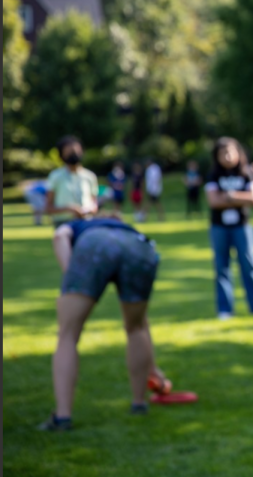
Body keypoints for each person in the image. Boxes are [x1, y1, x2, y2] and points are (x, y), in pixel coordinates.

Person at [38, 215, 168, 431]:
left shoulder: (74, 225)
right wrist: (153, 368)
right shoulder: (123, 226)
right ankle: (139, 403)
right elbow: (142, 325)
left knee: (68, 334)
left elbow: (60, 236)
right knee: (136, 326)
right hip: (140, 246)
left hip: (94, 246)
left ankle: (62, 417)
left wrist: (74, 278)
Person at [205, 137, 253, 321]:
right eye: (223, 153)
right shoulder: (213, 175)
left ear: (239, 153)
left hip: (242, 226)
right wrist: (239, 197)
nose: (228, 156)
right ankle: (225, 310)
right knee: (222, 267)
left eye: (231, 151)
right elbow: (213, 201)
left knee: (250, 264)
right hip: (219, 227)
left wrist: (229, 196)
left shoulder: (246, 173)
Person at [45, 136, 99, 228]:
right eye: (69, 152)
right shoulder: (55, 176)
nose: (73, 155)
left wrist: (88, 209)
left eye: (76, 151)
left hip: (86, 222)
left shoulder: (90, 176)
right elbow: (48, 208)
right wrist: (69, 209)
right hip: (63, 223)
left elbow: (94, 203)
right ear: (61, 155)